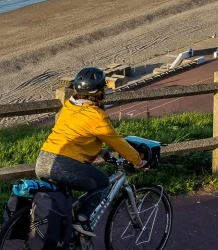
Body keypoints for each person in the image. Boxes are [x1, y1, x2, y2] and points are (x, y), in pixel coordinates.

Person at [37, 67, 147, 236]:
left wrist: (100, 151)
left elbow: (76, 133)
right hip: (63, 164)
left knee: (67, 202)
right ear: (100, 92)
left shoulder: (70, 105)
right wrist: (137, 160)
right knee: (102, 182)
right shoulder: (96, 115)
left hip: (43, 160)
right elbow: (117, 142)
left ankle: (65, 243)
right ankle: (82, 220)